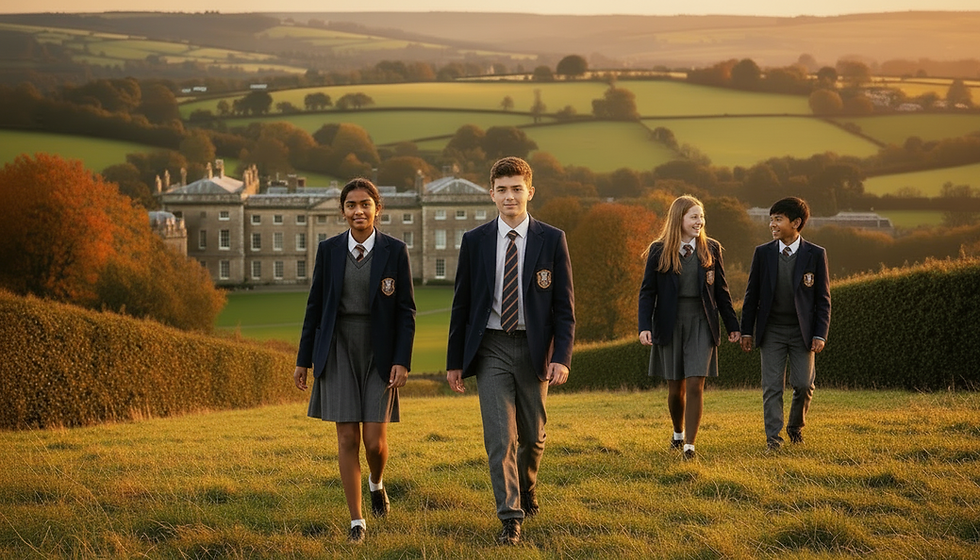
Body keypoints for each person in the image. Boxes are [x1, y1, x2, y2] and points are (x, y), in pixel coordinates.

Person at [446, 156, 575, 546]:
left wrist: (561, 357)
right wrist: (455, 362)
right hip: (491, 347)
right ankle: (510, 517)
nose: (509, 196)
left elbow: (565, 308)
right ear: (491, 194)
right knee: (501, 438)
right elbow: (461, 304)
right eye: (501, 190)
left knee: (533, 437)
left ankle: (527, 486)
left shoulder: (552, 239)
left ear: (530, 192)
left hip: (535, 349)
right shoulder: (475, 241)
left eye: (517, 188)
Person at [293, 178, 416, 544]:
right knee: (347, 437)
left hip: (380, 350)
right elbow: (314, 307)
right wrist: (304, 358)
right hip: (337, 347)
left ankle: (377, 483)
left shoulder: (396, 250)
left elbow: (406, 311)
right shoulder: (328, 250)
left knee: (375, 442)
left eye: (365, 204)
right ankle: (357, 521)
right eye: (351, 205)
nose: (358, 211)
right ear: (342, 210)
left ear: (378, 208)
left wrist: (401, 360)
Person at [638, 195, 741, 460]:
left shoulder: (712, 248)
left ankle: (690, 447)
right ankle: (677, 433)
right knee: (676, 389)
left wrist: (733, 325)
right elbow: (647, 293)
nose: (700, 221)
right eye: (694, 216)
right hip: (669, 322)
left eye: (701, 216)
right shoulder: (658, 250)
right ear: (679, 219)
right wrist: (644, 326)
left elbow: (722, 291)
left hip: (702, 321)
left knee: (696, 383)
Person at [740, 196, 831, 451]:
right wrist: (747, 330)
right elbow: (751, 295)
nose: (772, 225)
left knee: (803, 384)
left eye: (778, 219)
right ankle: (773, 439)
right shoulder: (762, 253)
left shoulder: (816, 254)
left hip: (803, 332)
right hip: (771, 331)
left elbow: (823, 299)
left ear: (796, 222)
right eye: (771, 220)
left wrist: (820, 334)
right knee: (772, 387)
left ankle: (795, 426)